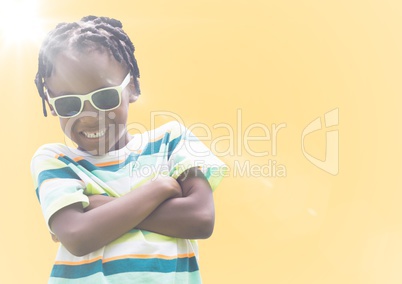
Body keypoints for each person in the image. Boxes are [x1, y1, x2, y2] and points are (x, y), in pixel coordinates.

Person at [30, 15, 226, 283]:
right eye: (68, 104)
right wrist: (159, 188)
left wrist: (99, 207)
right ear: (52, 105)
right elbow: (77, 236)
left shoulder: (172, 140)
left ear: (131, 87)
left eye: (104, 96)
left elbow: (200, 218)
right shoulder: (56, 159)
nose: (87, 116)